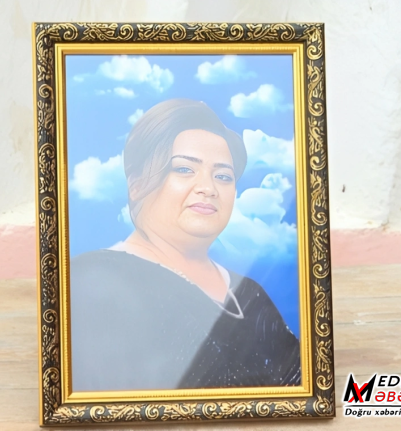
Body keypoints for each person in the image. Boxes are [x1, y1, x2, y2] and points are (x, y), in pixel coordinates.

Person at [70, 99, 300, 392]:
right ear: (136, 185)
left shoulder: (250, 294)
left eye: (223, 176)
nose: (208, 188)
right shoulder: (93, 281)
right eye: (184, 169)